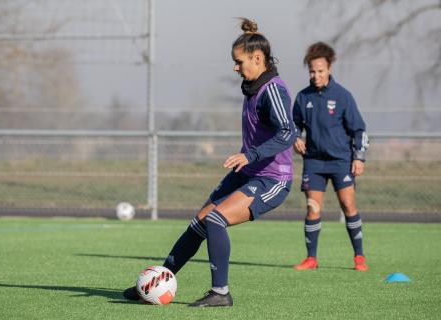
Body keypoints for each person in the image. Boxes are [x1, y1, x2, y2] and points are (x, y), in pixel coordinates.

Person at [123, 18, 296, 307]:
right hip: (247, 172)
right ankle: (156, 282)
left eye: (238, 61)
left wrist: (250, 154)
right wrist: (247, 158)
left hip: (272, 179)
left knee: (216, 220)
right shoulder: (252, 87)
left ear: (257, 58)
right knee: (199, 223)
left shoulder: (273, 90)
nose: (235, 67)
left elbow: (289, 132)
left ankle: (220, 293)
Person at [292, 42, 369, 271]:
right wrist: (296, 137)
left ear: (329, 69)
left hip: (341, 161)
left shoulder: (343, 96)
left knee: (347, 205)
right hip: (314, 162)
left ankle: (359, 257)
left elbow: (359, 129)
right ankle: (311, 258)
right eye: (312, 71)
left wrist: (359, 158)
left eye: (320, 71)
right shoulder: (303, 97)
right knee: (313, 208)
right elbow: (292, 125)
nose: (316, 75)